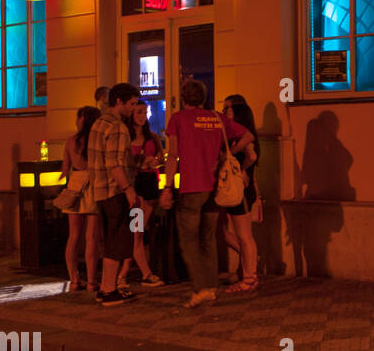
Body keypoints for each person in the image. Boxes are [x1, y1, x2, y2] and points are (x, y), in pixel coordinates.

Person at [160, 79, 252, 309]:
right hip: (214, 188)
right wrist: (228, 153)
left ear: (184, 98)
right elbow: (248, 136)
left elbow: (173, 155)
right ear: (203, 97)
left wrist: (167, 187)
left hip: (191, 187)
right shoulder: (216, 118)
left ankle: (200, 288)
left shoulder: (178, 119)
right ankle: (210, 288)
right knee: (208, 239)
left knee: (189, 240)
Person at [86, 83, 141, 306]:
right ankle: (109, 290)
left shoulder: (98, 123)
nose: (133, 108)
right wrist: (128, 189)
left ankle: (105, 288)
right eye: (132, 104)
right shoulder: (118, 127)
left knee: (110, 240)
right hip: (115, 190)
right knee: (117, 242)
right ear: (119, 102)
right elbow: (114, 164)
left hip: (99, 191)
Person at [117, 99, 163, 288]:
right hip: (135, 186)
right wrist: (139, 162)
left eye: (144, 112)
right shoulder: (125, 137)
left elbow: (162, 157)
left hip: (150, 185)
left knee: (138, 232)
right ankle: (142, 274)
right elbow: (121, 162)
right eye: (138, 112)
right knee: (136, 232)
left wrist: (155, 161)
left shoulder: (152, 136)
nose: (142, 116)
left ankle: (125, 275)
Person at [219, 94, 259, 294]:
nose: (224, 112)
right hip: (240, 189)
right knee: (233, 234)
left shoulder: (243, 135)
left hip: (240, 189)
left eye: (228, 108)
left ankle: (250, 277)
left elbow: (252, 155)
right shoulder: (237, 133)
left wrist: (242, 169)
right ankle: (248, 269)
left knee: (244, 236)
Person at [60, 106, 101, 291]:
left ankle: (74, 279)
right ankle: (92, 281)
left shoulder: (71, 141)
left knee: (74, 236)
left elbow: (64, 169)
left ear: (81, 119)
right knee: (92, 237)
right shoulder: (97, 140)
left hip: (75, 186)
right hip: (94, 185)